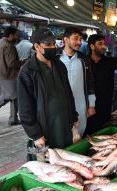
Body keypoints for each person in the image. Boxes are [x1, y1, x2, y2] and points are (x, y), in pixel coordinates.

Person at [17, 28, 78, 160]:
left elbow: (68, 93)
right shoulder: (27, 72)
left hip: (63, 124)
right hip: (45, 128)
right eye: (48, 44)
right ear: (37, 46)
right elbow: (24, 108)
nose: (53, 47)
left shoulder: (60, 66)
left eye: (53, 44)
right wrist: (35, 134)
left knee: (65, 162)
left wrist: (74, 116)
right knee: (46, 166)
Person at [58, 27, 96, 136]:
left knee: (78, 132)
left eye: (80, 39)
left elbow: (90, 82)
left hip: (80, 104)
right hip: (60, 103)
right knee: (61, 133)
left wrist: (91, 105)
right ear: (65, 39)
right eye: (75, 39)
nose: (79, 42)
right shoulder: (55, 57)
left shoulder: (83, 59)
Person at [0, 26, 23, 125]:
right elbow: (12, 63)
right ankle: (13, 119)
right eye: (16, 35)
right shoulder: (9, 46)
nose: (17, 37)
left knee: (11, 97)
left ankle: (13, 119)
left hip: (2, 74)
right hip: (10, 76)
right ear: (11, 35)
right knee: (6, 98)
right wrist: (23, 62)